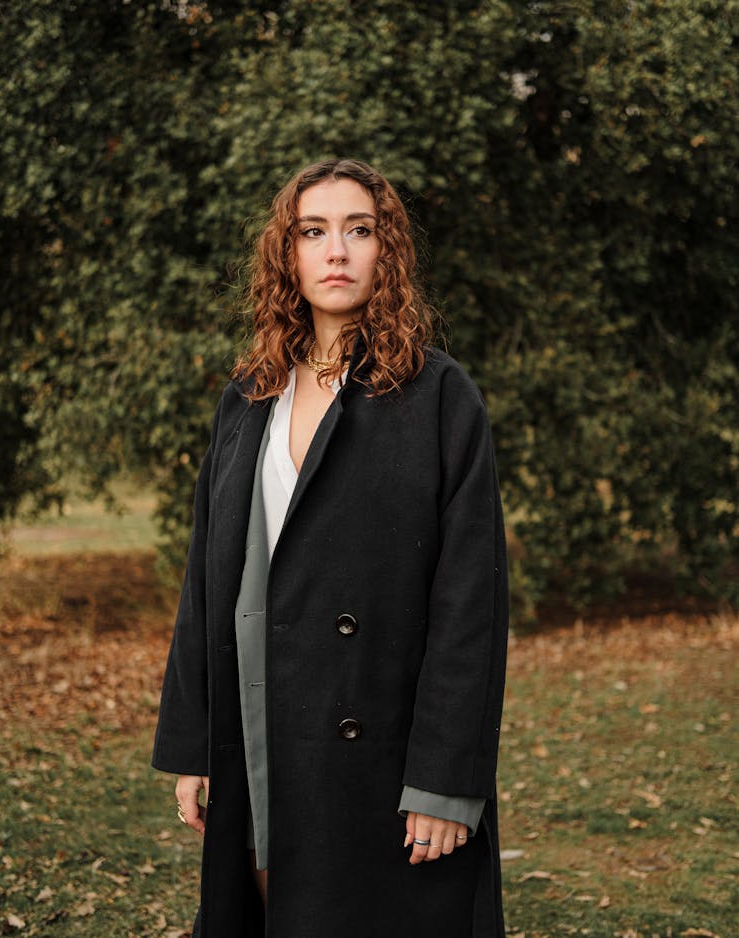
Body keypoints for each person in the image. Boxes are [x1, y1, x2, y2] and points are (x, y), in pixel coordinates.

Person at [152, 157, 509, 937]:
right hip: (261, 732)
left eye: (360, 230)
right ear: (289, 254)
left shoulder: (439, 397)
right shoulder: (247, 399)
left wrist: (447, 782)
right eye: (314, 232)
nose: (337, 251)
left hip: (380, 748)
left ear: (389, 253)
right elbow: (205, 583)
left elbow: (470, 605)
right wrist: (194, 741)